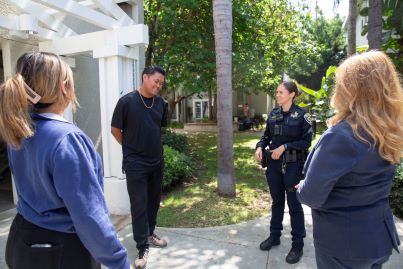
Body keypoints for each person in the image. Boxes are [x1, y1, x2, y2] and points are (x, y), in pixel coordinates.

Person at [0, 52, 133, 269]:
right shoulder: (67, 140)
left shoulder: (19, 130)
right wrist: (119, 261)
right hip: (60, 252)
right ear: (64, 87)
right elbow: (90, 217)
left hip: (21, 241)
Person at [297, 51, 402, 269]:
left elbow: (311, 196)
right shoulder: (390, 130)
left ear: (351, 89)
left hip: (344, 245)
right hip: (378, 238)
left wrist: (302, 187)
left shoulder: (342, 136)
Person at [111, 66, 168, 269]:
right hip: (135, 163)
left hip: (156, 161)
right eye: (156, 81)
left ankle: (150, 233)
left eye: (161, 83)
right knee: (139, 205)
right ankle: (142, 246)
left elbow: (158, 129)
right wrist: (130, 148)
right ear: (145, 77)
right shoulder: (126, 102)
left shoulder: (161, 103)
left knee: (153, 201)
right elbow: (115, 130)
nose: (158, 86)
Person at [255, 81, 312, 264]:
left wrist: (285, 146)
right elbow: (266, 136)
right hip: (273, 165)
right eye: (277, 92)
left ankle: (298, 245)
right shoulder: (273, 114)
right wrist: (260, 146)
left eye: (281, 92)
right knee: (277, 202)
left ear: (292, 94)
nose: (277, 95)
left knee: (294, 205)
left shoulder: (303, 116)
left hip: (293, 165)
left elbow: (306, 142)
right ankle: (274, 236)